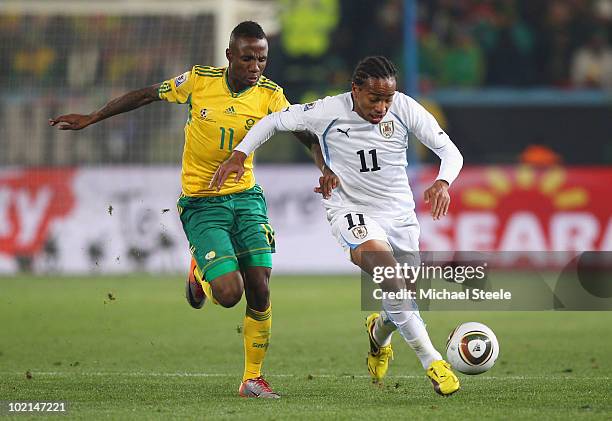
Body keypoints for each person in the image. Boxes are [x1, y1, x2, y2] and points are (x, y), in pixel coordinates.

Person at [49, 21, 323, 399]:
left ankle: (252, 379)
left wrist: (325, 169)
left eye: (262, 58)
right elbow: (146, 95)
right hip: (201, 202)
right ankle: (199, 272)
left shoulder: (271, 96)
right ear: (229, 56)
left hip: (245, 198)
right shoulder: (199, 81)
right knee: (229, 294)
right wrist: (94, 117)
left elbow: (305, 134)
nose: (255, 66)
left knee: (260, 285)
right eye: (247, 58)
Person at [211, 56, 464, 396]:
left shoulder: (404, 108)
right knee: (390, 277)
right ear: (355, 90)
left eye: (387, 98)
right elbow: (272, 122)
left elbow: (450, 152)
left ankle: (378, 333)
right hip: (350, 209)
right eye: (374, 98)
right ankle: (433, 362)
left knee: (403, 295)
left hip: (400, 215)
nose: (382, 106)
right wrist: (239, 155)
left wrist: (443, 181)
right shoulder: (328, 110)